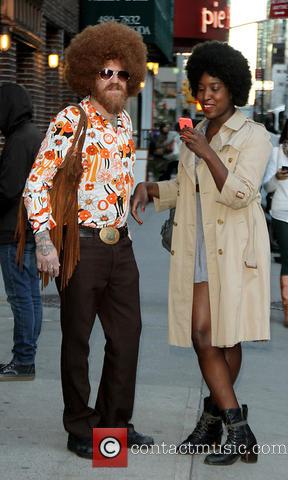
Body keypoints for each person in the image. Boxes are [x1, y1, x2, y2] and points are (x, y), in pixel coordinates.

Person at [131, 41, 272, 466]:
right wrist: (153, 188)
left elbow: (240, 193)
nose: (206, 96)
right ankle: (226, 421)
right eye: (202, 88)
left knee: (223, 335)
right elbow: (190, 190)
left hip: (234, 247)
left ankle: (227, 424)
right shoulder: (198, 135)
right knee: (202, 334)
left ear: (234, 90)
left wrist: (206, 151)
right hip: (196, 247)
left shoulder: (254, 137)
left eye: (216, 88)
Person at [18, 21, 153, 458]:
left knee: (127, 336)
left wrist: (131, 193)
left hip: (122, 245)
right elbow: (35, 185)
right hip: (81, 245)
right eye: (105, 73)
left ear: (131, 77)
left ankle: (114, 425)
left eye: (122, 74)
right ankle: (80, 426)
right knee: (77, 340)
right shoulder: (70, 119)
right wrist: (44, 244)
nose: (114, 81)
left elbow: (111, 177)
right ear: (88, 75)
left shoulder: (125, 123)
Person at [0, 83, 43, 381]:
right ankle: (26, 357)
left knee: (20, 298)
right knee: (31, 297)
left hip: (13, 232)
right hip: (29, 229)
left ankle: (24, 360)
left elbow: (8, 189)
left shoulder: (18, 139)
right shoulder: (34, 135)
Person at [263, 114, 288, 328]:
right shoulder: (277, 154)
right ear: (286, 132)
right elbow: (266, 186)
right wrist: (277, 178)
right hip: (282, 213)